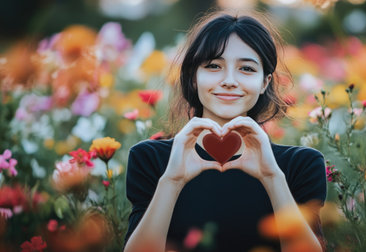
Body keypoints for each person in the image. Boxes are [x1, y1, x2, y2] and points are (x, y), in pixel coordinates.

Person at [124, 10, 326, 252]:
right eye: (213, 66)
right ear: (193, 78)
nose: (229, 80)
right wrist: (172, 180)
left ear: (265, 82)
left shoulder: (301, 165)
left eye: (247, 69)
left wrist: (272, 177)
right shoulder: (150, 159)